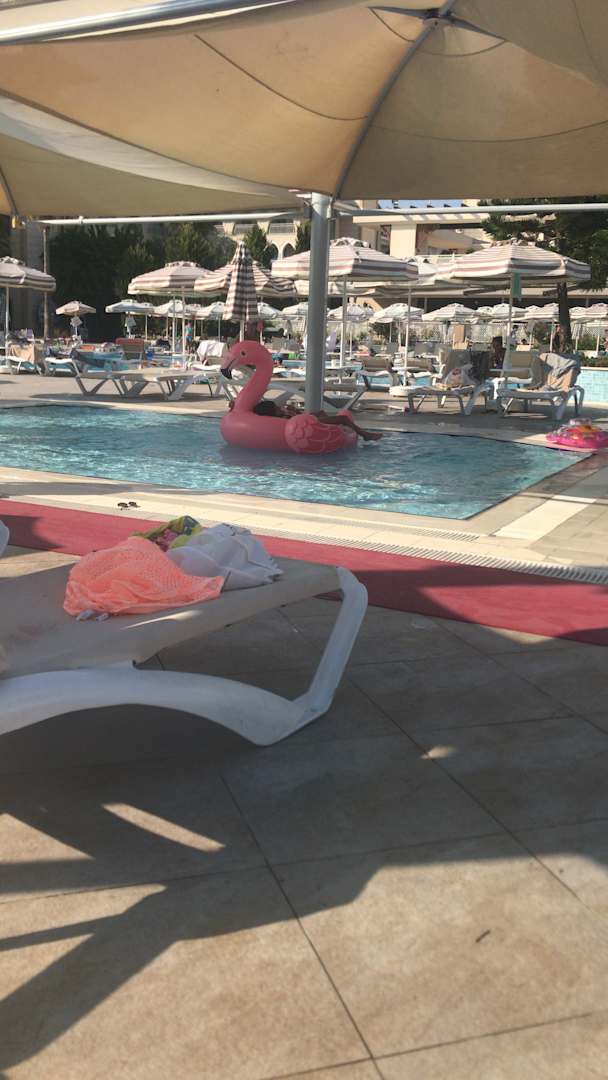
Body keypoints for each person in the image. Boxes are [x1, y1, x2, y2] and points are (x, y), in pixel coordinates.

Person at [231, 398, 382, 441]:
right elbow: (295, 423)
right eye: (277, 408)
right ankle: (365, 435)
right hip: (308, 426)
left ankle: (336, 427)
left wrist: (295, 411)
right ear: (272, 412)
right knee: (343, 418)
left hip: (306, 420)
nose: (280, 408)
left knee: (320, 412)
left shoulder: (279, 416)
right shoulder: (279, 420)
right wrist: (293, 413)